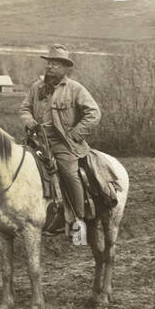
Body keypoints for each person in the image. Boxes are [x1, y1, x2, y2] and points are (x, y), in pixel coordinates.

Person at [19, 44, 101, 226]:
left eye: (55, 64)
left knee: (70, 174)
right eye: (48, 63)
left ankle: (79, 220)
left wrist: (75, 134)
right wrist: (29, 121)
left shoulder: (75, 89)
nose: (49, 67)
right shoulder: (36, 87)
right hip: (36, 140)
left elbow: (94, 113)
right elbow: (25, 108)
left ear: (65, 68)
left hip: (62, 142)